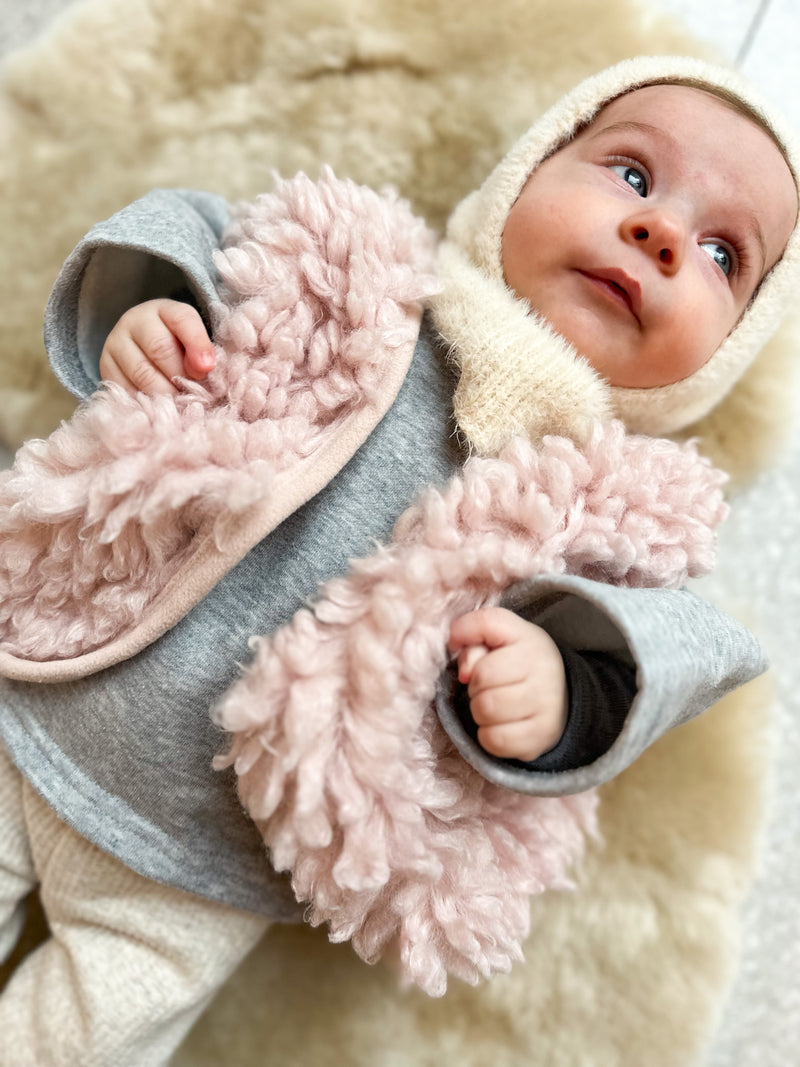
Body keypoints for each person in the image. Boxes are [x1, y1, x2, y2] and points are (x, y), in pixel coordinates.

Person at [0, 54, 797, 1065]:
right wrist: (156, 311)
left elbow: (662, 651)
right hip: (38, 679)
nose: (660, 234)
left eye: (724, 253)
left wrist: (556, 686)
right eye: (630, 176)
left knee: (77, 1039)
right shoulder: (357, 272)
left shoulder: (617, 511)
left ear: (726, 352)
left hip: (203, 869)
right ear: (524, 174)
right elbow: (195, 227)